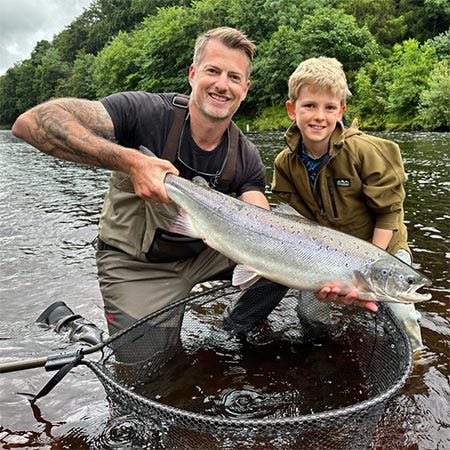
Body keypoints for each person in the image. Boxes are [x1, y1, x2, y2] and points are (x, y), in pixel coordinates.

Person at [12, 28, 376, 364]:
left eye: (234, 77)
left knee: (286, 260)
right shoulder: (144, 112)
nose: (223, 85)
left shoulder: (245, 154)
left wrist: (335, 276)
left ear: (245, 88)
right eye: (213, 71)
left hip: (207, 252)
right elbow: (31, 123)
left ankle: (231, 330)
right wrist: (132, 161)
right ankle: (78, 328)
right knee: (151, 370)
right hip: (138, 264)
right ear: (192, 74)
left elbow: (266, 228)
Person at [223, 56, 423, 352]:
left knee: (402, 311)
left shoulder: (366, 152)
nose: (320, 116)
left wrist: (368, 268)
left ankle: (415, 360)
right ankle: (321, 349)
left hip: (383, 251)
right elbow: (298, 224)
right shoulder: (285, 163)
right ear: (292, 110)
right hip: (324, 254)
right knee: (310, 312)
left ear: (341, 111)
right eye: (310, 106)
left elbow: (389, 213)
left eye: (330, 108)